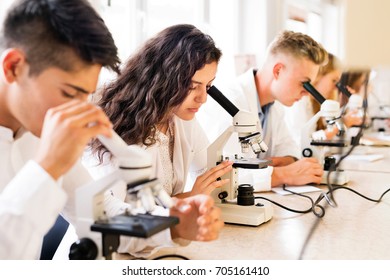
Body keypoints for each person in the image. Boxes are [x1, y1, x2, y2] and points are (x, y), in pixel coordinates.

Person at [0, 0, 223, 260]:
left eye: (86, 95)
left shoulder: (38, 130)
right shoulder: (49, 138)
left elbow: (101, 215)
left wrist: (173, 224)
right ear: (14, 66)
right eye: (69, 93)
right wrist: (48, 166)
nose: (81, 110)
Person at [85, 24, 230, 257]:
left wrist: (184, 204)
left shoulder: (181, 118)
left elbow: (212, 170)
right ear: (163, 78)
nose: (202, 98)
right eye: (192, 86)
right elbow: (112, 218)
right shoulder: (116, 129)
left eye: (208, 86)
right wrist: (179, 206)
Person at [199, 30, 327, 191]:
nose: (307, 93)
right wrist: (283, 175)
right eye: (304, 83)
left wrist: (268, 167)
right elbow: (224, 174)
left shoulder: (275, 104)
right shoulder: (228, 101)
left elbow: (290, 152)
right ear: (278, 71)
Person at [284, 53, 363, 144]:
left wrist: (346, 107)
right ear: (319, 76)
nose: (336, 88)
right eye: (334, 81)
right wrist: (340, 125)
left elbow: (332, 140)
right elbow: (303, 142)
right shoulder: (300, 102)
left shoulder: (319, 103)